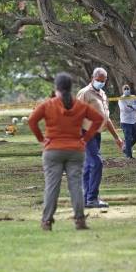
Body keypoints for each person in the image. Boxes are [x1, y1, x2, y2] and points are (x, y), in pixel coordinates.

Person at [29, 72, 104, 231]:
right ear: (71, 88)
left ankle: (47, 221)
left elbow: (32, 120)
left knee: (52, 187)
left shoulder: (48, 104)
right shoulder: (80, 105)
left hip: (53, 150)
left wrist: (41, 139)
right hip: (75, 150)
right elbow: (98, 119)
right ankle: (79, 220)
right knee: (76, 186)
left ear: (56, 88)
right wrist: (86, 138)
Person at [76, 68, 124, 209]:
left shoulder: (102, 94)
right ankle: (92, 198)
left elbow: (106, 118)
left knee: (88, 166)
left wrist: (117, 138)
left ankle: (86, 199)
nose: (101, 83)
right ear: (92, 77)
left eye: (103, 81)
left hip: (96, 134)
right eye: (98, 80)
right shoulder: (84, 93)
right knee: (97, 163)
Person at [118, 84, 136, 159]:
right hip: (125, 121)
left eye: (128, 88)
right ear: (123, 90)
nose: (127, 90)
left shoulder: (133, 97)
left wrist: (131, 106)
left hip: (134, 120)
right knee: (128, 138)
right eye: (125, 89)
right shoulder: (121, 99)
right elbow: (125, 109)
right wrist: (134, 107)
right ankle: (129, 156)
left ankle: (126, 148)